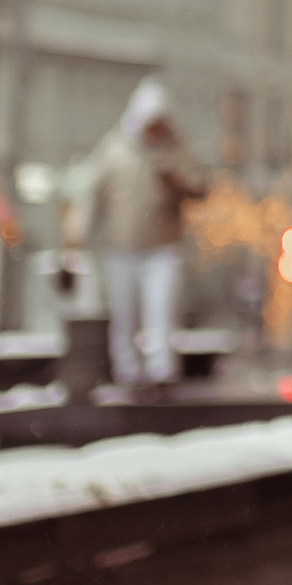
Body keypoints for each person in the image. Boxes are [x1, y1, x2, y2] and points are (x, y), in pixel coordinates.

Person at [84, 79, 205, 389]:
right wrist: (77, 237)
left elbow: (201, 186)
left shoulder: (177, 148)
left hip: (163, 246)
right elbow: (93, 195)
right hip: (122, 247)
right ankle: (126, 372)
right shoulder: (114, 150)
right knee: (123, 315)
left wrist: (175, 180)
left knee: (161, 311)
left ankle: (161, 373)